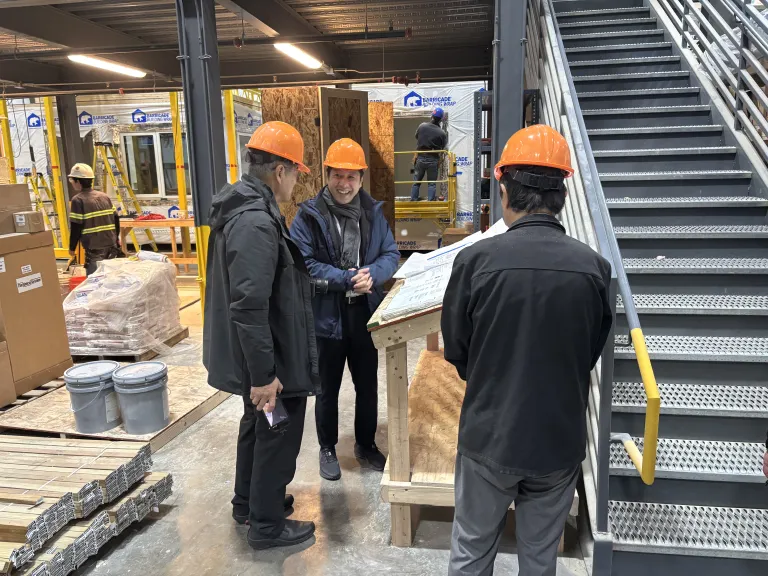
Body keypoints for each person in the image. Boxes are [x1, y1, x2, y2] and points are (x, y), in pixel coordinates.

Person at [442, 124, 613, 576]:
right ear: (563, 194)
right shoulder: (595, 270)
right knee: (540, 561)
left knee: (471, 553)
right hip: (557, 443)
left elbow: (457, 349)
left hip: (489, 436)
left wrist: (490, 375)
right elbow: (589, 351)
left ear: (504, 189)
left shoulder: (474, 262)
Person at [203, 121, 321, 550]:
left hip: (260, 354)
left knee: (257, 428)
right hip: (269, 361)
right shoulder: (254, 222)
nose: (295, 184)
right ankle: (267, 525)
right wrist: (264, 376)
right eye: (296, 174)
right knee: (276, 433)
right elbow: (249, 306)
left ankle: (249, 503)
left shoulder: (248, 210)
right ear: (280, 171)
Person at [291, 138, 400, 481]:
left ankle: (365, 444)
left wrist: (373, 275)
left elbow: (390, 254)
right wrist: (346, 279)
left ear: (361, 179)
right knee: (327, 388)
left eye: (351, 177)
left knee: (367, 385)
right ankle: (327, 448)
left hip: (364, 313)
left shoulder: (373, 213)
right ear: (326, 175)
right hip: (327, 316)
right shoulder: (309, 216)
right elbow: (303, 264)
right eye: (337, 175)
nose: (344, 184)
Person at [67, 163, 120, 275]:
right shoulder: (104, 196)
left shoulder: (78, 200)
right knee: (110, 277)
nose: (71, 183)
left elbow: (76, 226)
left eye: (72, 180)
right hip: (111, 245)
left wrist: (72, 247)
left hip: (94, 247)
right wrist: (116, 238)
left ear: (78, 181)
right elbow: (116, 218)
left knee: (95, 280)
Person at [411, 107, 448, 201]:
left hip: (420, 157)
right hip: (433, 159)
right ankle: (430, 202)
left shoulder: (422, 126)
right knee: (431, 184)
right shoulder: (442, 133)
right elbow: (443, 147)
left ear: (432, 116)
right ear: (441, 120)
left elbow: (416, 136)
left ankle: (413, 200)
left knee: (416, 182)